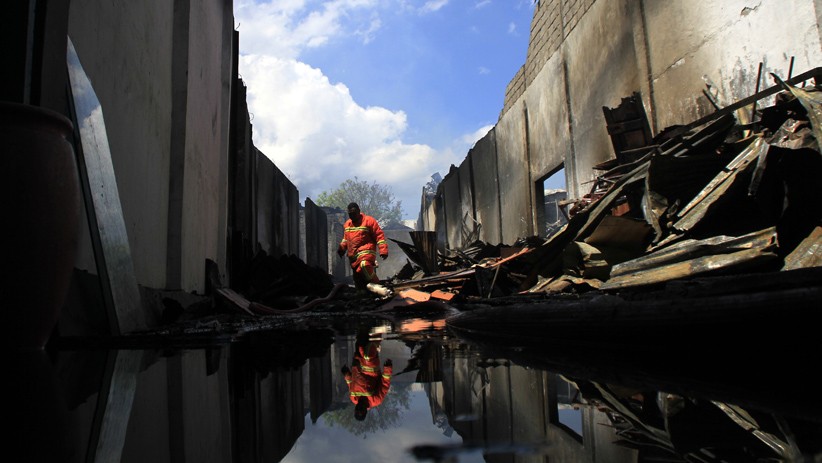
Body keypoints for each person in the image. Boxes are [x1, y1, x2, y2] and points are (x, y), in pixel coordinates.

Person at [341, 329, 393, 421]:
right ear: (365, 411)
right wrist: (387, 369)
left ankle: (364, 326)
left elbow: (350, 384)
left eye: (357, 408)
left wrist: (346, 375)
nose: (359, 405)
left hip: (356, 363)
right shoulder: (376, 400)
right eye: (361, 409)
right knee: (368, 353)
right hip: (370, 366)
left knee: (360, 341)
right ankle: (377, 329)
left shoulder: (354, 399)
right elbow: (385, 385)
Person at [337, 202, 389, 291]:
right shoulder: (347, 224)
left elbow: (379, 236)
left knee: (364, 265)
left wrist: (383, 250)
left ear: (359, 211)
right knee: (358, 279)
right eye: (350, 214)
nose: (352, 215)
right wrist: (341, 248)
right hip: (353, 256)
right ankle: (364, 293)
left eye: (354, 213)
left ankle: (378, 286)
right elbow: (346, 239)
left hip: (366, 252)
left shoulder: (369, 221)